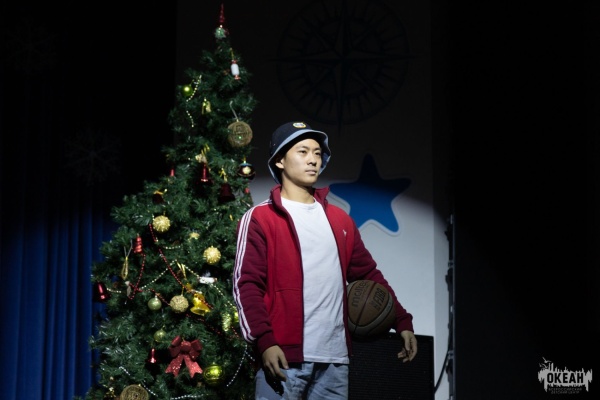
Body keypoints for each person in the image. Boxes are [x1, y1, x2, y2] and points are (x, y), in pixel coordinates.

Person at [233, 121, 417, 399]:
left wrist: (401, 320)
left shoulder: (340, 220)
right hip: (283, 358)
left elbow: (369, 276)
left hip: (334, 361)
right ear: (280, 160)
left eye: (317, 153)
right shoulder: (260, 218)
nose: (313, 160)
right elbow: (246, 284)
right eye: (303, 151)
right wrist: (264, 341)